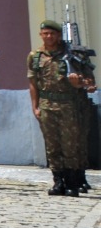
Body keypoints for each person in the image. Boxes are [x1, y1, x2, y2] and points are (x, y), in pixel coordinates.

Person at [28, 19, 95, 197]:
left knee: (70, 145)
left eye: (52, 33)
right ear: (41, 35)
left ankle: (72, 182)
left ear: (59, 35)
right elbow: (33, 83)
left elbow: (90, 82)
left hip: (69, 105)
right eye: (45, 33)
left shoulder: (74, 54)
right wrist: (35, 107)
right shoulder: (35, 56)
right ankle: (58, 181)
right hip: (46, 106)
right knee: (52, 146)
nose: (49, 36)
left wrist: (78, 82)